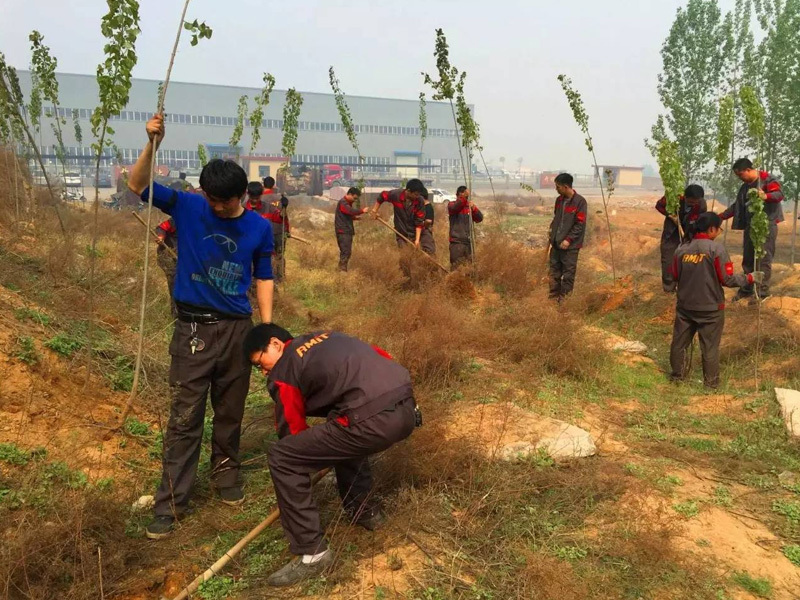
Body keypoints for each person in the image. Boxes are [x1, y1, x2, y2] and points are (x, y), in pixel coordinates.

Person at [128, 114, 276, 540]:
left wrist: (265, 328)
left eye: (223, 203)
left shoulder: (258, 227)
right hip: (192, 330)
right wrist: (151, 145)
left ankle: (226, 476)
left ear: (240, 197)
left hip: (236, 330)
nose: (215, 207)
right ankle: (171, 502)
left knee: (230, 410)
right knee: (185, 417)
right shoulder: (190, 205)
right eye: (210, 199)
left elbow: (263, 275)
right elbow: (137, 186)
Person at [244, 324, 419, 587]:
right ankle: (365, 512)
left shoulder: (285, 369)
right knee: (341, 424)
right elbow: (382, 357)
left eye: (260, 362)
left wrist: (304, 465)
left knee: (283, 457)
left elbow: (292, 433)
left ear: (276, 343)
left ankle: (313, 554)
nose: (263, 371)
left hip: (371, 422)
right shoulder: (329, 337)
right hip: (407, 409)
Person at [669, 212, 762, 388]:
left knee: (679, 344)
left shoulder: (681, 249)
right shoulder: (716, 249)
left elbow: (674, 275)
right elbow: (727, 279)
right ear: (711, 229)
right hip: (711, 310)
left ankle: (677, 378)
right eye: (718, 228)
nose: (719, 231)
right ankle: (711, 385)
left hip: (685, 307)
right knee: (709, 348)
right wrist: (749, 278)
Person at [720, 158, 784, 301]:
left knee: (763, 258)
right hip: (751, 225)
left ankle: (762, 292)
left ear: (749, 170)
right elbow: (738, 205)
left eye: (741, 174)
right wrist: (721, 217)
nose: (740, 178)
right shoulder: (745, 186)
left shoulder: (767, 179)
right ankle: (747, 288)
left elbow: (779, 195)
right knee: (748, 257)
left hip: (766, 225)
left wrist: (765, 196)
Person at [655, 184, 708, 292]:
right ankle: (669, 289)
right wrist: (670, 216)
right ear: (685, 197)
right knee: (668, 261)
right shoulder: (674, 198)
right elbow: (659, 206)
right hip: (671, 234)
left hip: (690, 235)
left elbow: (699, 220)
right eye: (691, 201)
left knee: (690, 262)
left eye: (696, 202)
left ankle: (687, 289)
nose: (693, 204)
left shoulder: (702, 205)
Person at [548, 173, 587, 301]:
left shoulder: (580, 202)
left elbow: (579, 224)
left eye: (557, 186)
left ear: (565, 187)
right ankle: (553, 300)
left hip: (570, 247)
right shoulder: (559, 200)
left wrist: (568, 240)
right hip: (556, 244)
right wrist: (551, 230)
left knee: (568, 276)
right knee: (554, 273)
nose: (556, 189)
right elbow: (556, 218)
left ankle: (564, 302)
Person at [369, 178, 427, 248]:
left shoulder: (420, 201)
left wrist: (417, 240)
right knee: (404, 253)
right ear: (408, 191)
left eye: (419, 195)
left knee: (427, 249)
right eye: (416, 194)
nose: (417, 196)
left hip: (415, 232)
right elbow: (382, 196)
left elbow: (419, 222)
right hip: (401, 233)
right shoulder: (396, 195)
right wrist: (374, 211)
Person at [447, 186, 483, 269]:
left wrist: (474, 208)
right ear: (459, 194)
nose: (465, 197)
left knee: (468, 269)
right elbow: (456, 207)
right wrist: (463, 198)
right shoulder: (452, 204)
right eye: (464, 194)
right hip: (456, 242)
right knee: (456, 267)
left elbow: (479, 218)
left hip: (468, 242)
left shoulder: (469, 207)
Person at [335, 187, 368, 271]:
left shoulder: (347, 203)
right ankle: (342, 270)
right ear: (350, 194)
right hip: (343, 231)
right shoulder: (343, 203)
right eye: (354, 198)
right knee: (346, 251)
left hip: (346, 230)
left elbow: (346, 215)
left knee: (346, 251)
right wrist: (362, 211)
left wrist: (355, 218)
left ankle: (341, 269)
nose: (354, 200)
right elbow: (349, 211)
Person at [155, 217, 178, 316]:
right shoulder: (179, 219)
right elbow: (162, 228)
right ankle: (175, 314)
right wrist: (161, 237)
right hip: (168, 256)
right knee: (174, 282)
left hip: (183, 258)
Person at [419, 190, 436, 256]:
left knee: (428, 253)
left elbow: (428, 221)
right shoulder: (421, 207)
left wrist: (419, 224)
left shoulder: (428, 207)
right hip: (421, 232)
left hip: (425, 232)